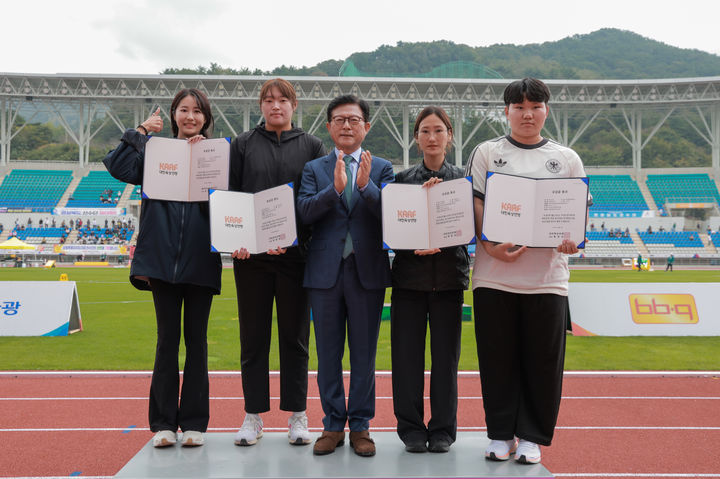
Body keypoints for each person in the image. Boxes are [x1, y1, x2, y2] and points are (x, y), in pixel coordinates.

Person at [466, 78, 590, 465]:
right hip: (493, 276)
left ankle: (533, 437)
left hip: (547, 280)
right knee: (497, 359)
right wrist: (490, 247)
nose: (527, 113)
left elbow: (577, 212)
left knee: (542, 362)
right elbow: (476, 202)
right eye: (519, 107)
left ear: (545, 111)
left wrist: (571, 239)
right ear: (507, 111)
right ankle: (501, 434)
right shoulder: (487, 152)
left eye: (534, 106)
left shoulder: (566, 158)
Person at [103, 88, 222, 448]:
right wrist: (140, 132)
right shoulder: (154, 151)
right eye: (183, 110)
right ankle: (164, 424)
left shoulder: (217, 156)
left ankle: (196, 423)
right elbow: (117, 167)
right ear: (172, 115)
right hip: (160, 259)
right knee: (167, 341)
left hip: (201, 260)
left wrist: (204, 157)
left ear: (206, 118)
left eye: (197, 111)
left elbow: (229, 200)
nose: (190, 117)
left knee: (197, 343)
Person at [229, 78, 326, 447]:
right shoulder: (243, 144)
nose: (275, 105)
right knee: (253, 338)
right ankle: (252, 416)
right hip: (251, 260)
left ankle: (297, 415)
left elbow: (314, 202)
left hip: (295, 259)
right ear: (261, 106)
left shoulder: (312, 145)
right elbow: (232, 198)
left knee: (295, 338)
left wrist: (298, 242)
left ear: (294, 105)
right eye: (268, 100)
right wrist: (240, 240)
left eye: (282, 99)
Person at [297, 95, 394, 457]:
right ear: (329, 126)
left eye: (354, 120)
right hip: (324, 273)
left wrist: (366, 188)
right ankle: (333, 425)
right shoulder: (314, 169)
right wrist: (335, 189)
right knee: (328, 354)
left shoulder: (382, 167)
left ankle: (361, 427)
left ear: (366, 127)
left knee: (364, 355)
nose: (347, 126)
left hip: (367, 272)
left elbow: (393, 213)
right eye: (340, 120)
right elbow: (304, 211)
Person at [390, 106, 469, 454]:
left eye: (439, 130)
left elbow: (469, 230)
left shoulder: (463, 179)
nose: (432, 137)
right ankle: (410, 428)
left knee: (445, 361)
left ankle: (442, 430)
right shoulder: (401, 180)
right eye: (425, 130)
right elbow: (392, 231)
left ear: (449, 136)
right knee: (406, 360)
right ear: (416, 137)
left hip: (449, 281)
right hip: (408, 281)